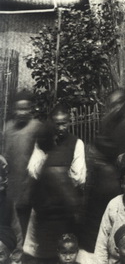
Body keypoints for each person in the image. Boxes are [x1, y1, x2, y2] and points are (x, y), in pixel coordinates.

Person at [24, 104, 86, 260]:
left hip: (64, 213)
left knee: (65, 253)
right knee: (47, 253)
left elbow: (79, 176)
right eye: (58, 124)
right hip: (45, 212)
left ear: (69, 122)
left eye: (64, 123)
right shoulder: (44, 142)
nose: (62, 127)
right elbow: (33, 169)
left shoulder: (76, 143)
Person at [3, 90, 42, 235]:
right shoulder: (8, 128)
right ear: (14, 110)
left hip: (29, 182)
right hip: (12, 182)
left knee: (26, 218)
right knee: (11, 218)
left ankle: (26, 251)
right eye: (19, 109)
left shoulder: (36, 127)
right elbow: (6, 155)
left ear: (31, 109)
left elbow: (41, 156)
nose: (22, 112)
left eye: (26, 108)